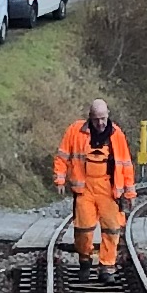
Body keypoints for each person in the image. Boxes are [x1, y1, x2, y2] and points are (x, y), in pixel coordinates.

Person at [53, 96, 136, 274]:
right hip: (85, 189)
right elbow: (62, 156)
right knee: (83, 229)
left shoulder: (117, 135)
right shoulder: (75, 131)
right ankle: (85, 259)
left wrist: (130, 193)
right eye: (96, 119)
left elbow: (126, 164)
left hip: (109, 190)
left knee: (112, 229)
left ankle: (107, 266)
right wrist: (60, 179)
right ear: (90, 117)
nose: (100, 123)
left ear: (108, 115)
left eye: (103, 118)